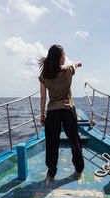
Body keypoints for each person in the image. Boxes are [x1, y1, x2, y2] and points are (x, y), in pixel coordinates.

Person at [38, 44, 84, 185]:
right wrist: (78, 63)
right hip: (68, 110)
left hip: (52, 111)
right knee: (74, 140)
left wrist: (42, 116)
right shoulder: (68, 71)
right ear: (60, 58)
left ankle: (52, 171)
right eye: (63, 55)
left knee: (52, 142)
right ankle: (79, 169)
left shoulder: (44, 76)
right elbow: (75, 65)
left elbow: (43, 98)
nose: (65, 58)